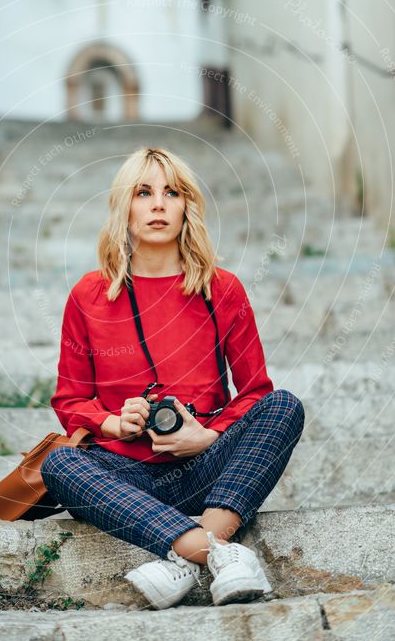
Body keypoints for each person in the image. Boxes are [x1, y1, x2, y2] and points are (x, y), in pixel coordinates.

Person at [42, 147, 304, 610]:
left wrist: (208, 436)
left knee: (284, 405)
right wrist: (112, 424)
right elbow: (70, 401)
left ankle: (180, 555)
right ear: (125, 207)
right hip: (125, 475)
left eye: (172, 193)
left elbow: (256, 393)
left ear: (187, 207)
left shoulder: (222, 289)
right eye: (143, 193)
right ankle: (212, 552)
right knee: (59, 466)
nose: (158, 204)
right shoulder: (89, 295)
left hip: (208, 468)